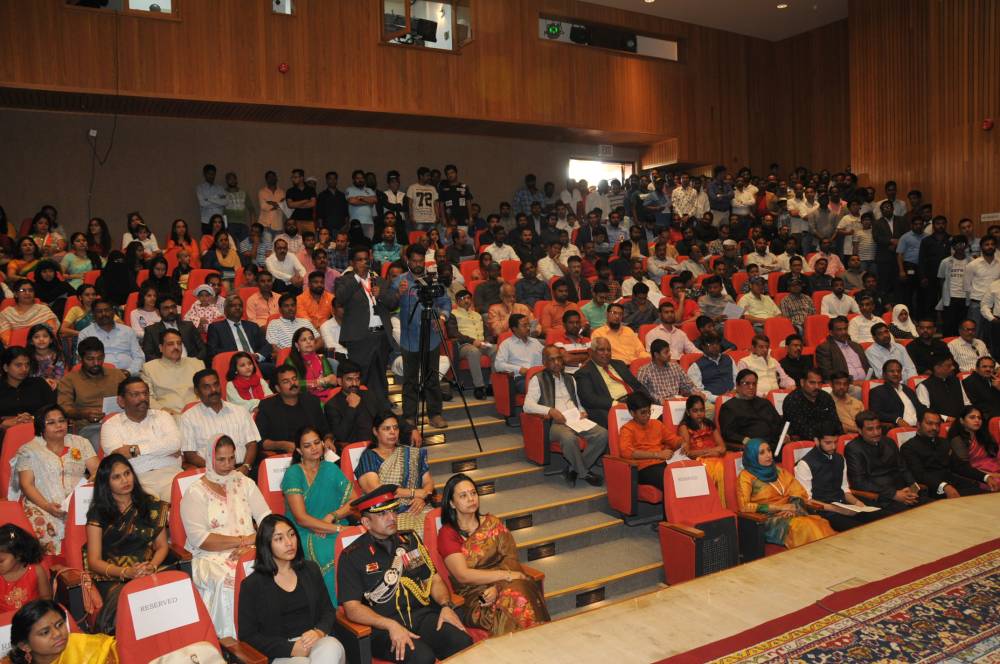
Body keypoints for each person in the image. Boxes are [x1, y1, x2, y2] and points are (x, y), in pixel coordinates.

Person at [337, 485, 473, 664]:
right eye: (382, 514)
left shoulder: (409, 541)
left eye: (392, 511)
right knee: (422, 658)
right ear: (366, 523)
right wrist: (390, 625)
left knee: (462, 642)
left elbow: (433, 578)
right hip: (383, 628)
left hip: (422, 616)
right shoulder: (352, 556)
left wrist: (446, 605)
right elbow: (352, 608)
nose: (391, 517)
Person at [180, 435, 271, 639]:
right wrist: (242, 541)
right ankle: (231, 641)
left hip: (251, 548)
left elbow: (267, 519)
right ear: (210, 458)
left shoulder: (245, 483)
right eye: (221, 459)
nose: (228, 465)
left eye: (231, 458)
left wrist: (253, 544)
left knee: (273, 568)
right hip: (210, 556)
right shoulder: (195, 493)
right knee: (229, 580)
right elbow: (200, 539)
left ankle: (268, 635)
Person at [437, 473, 549, 635]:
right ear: (452, 503)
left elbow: (510, 558)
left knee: (518, 592)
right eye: (463, 495)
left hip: (506, 583)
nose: (471, 498)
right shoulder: (447, 534)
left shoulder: (493, 523)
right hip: (476, 598)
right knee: (516, 597)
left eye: (473, 493)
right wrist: (505, 577)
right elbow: (463, 575)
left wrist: (498, 585)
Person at [238, 515, 346, 664]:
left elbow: (328, 610)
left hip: (314, 641)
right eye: (279, 539)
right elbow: (248, 636)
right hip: (281, 652)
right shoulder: (252, 585)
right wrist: (289, 648)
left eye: (292, 534)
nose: (289, 543)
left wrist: (319, 632)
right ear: (266, 544)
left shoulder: (310, 569)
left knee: (331, 647)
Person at [84, 454, 169, 634]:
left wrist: (152, 567)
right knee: (131, 602)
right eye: (116, 477)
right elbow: (94, 561)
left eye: (127, 473)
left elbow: (162, 546)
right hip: (111, 576)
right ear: (106, 483)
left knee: (172, 594)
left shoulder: (150, 506)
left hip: (146, 569)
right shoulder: (98, 513)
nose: (125, 480)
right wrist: (126, 572)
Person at [281, 427, 355, 603]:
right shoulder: (294, 473)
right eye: (307, 446)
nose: (314, 448)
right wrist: (337, 529)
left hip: (332, 525)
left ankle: (359, 602)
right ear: (299, 450)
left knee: (357, 547)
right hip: (302, 532)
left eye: (317, 443)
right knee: (329, 553)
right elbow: (301, 518)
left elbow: (354, 502)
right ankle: (336, 608)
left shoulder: (330, 469)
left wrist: (332, 516)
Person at [13, 404, 98, 555]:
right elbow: (26, 485)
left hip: (77, 502)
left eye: (62, 420)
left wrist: (88, 487)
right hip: (42, 503)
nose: (59, 425)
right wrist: (47, 506)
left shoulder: (81, 443)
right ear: (41, 427)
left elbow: (97, 470)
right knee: (44, 530)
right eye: (51, 422)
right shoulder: (28, 450)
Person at [523, 345, 609, 486]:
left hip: (575, 418)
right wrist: (550, 411)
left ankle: (573, 469)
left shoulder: (570, 378)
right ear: (544, 361)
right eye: (552, 360)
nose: (557, 363)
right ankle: (584, 473)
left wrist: (582, 411)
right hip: (555, 422)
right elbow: (527, 406)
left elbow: (577, 401)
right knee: (569, 438)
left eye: (559, 359)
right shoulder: (537, 379)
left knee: (603, 434)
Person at [736, 439, 835, 548]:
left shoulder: (778, 471)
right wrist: (780, 508)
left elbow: (799, 492)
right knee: (804, 526)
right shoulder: (746, 477)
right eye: (762, 453)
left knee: (821, 523)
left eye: (769, 450)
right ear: (752, 456)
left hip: (792, 513)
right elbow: (744, 507)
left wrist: (792, 508)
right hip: (766, 519)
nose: (768, 455)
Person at [395, 244, 452, 430]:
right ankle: (410, 417)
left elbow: (445, 302)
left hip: (432, 338)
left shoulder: (433, 280)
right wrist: (398, 293)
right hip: (409, 340)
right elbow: (387, 302)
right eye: (415, 261)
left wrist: (442, 318)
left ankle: (435, 414)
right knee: (410, 380)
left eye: (421, 261)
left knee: (432, 378)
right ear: (408, 261)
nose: (418, 264)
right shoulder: (400, 281)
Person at [99, 376, 182, 502]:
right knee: (150, 511)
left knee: (188, 501)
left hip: (171, 474)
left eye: (145, 393)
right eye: (135, 394)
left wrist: (135, 450)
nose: (143, 398)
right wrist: (163, 449)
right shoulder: (110, 425)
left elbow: (175, 443)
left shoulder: (163, 416)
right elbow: (118, 457)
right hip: (136, 480)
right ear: (121, 401)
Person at [335, 246, 398, 407]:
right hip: (359, 338)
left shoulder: (379, 281)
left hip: (381, 336)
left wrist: (381, 295)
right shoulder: (345, 280)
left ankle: (382, 409)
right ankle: (360, 410)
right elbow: (340, 298)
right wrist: (357, 278)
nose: (364, 263)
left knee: (381, 376)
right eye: (359, 260)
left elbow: (393, 304)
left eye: (366, 259)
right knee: (360, 377)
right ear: (352, 263)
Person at [355, 414, 433, 536]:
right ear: (376, 431)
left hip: (419, 506)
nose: (393, 432)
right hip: (388, 513)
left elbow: (428, 482)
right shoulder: (369, 457)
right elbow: (376, 489)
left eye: (395, 428)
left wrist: (421, 497)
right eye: (386, 428)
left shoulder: (411, 453)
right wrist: (414, 493)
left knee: (438, 525)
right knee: (416, 534)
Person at [180, 369, 259, 475]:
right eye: (206, 387)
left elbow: (252, 443)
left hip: (243, 469)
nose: (213, 390)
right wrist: (215, 469)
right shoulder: (189, 417)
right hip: (210, 472)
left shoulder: (240, 411)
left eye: (216, 384)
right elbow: (190, 454)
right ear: (197, 391)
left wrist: (246, 466)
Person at [794, 431, 877, 532]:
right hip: (823, 511)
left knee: (881, 518)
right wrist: (838, 509)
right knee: (861, 530)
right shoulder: (804, 464)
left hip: (844, 504)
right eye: (828, 443)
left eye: (836, 442)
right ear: (816, 441)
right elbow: (807, 501)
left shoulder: (840, 458)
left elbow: (844, 489)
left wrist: (857, 503)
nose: (833, 447)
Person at [845, 411, 925, 513]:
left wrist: (913, 488)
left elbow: (903, 468)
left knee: (932, 506)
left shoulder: (889, 442)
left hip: (903, 490)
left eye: (878, 428)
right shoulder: (853, 448)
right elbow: (859, 482)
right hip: (881, 497)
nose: (876, 432)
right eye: (870, 429)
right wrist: (894, 494)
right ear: (860, 430)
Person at [901, 411, 985, 499]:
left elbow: (959, 466)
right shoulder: (908, 447)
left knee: (980, 492)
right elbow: (920, 475)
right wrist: (944, 486)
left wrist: (985, 477)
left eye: (937, 424)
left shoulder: (944, 442)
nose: (934, 427)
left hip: (950, 482)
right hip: (932, 488)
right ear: (918, 425)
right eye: (929, 423)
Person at [7, 599, 117, 664]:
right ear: (25, 646)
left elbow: (124, 652)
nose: (58, 634)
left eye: (59, 625)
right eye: (45, 632)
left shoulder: (89, 648)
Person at [256, 366, 333, 455]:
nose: (293, 383)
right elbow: (261, 441)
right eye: (286, 381)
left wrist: (328, 440)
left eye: (294, 379)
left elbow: (326, 431)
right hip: (285, 456)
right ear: (277, 388)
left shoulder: (312, 401)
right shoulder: (267, 406)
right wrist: (282, 445)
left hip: (315, 452)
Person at [574, 337, 647, 431]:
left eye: (608, 350)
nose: (606, 353)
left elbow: (637, 385)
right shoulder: (584, 372)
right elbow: (589, 398)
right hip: (614, 406)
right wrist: (615, 404)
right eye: (601, 350)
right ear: (591, 352)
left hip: (635, 402)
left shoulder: (619, 364)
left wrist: (647, 400)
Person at [617, 391, 682, 491]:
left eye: (649, 411)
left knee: (684, 474)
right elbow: (626, 452)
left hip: (663, 463)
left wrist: (683, 443)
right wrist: (657, 455)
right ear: (632, 413)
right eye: (643, 412)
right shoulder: (627, 429)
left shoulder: (656, 424)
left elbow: (674, 440)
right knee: (670, 480)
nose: (647, 415)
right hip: (643, 468)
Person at [138, 329, 204, 416]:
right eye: (170, 344)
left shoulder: (197, 364)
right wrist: (164, 411)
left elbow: (206, 391)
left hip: (198, 414)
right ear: (161, 348)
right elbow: (148, 397)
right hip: (167, 416)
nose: (176, 347)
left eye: (179, 343)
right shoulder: (149, 368)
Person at [206, 294, 273, 376]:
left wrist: (257, 356)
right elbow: (212, 351)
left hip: (256, 364)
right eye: (233, 306)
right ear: (225, 310)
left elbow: (266, 346)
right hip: (233, 365)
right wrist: (239, 356)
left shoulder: (252, 326)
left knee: (275, 369)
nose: (237, 308)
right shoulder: (216, 327)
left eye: (240, 305)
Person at [717, 369, 783, 451]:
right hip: (754, 449)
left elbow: (779, 423)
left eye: (754, 384)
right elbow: (727, 433)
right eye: (746, 384)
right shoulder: (729, 407)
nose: (751, 387)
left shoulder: (765, 403)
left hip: (776, 445)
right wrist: (744, 440)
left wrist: (784, 435)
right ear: (737, 386)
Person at [0, 347, 56, 431]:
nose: (24, 369)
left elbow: (54, 411)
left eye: (27, 364)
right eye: (18, 365)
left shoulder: (39, 384)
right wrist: (2, 423)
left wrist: (33, 419)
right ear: (6, 367)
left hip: (37, 432)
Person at [0, 525, 51, 613]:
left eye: (0, 561)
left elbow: (46, 597)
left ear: (19, 555)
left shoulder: (36, 571)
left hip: (32, 618)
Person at [947, 406, 1000, 490]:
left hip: (995, 469)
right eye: (972, 417)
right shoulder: (957, 439)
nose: (977, 420)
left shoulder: (984, 435)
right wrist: (991, 475)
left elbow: (996, 453)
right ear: (962, 421)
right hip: (976, 475)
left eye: (979, 418)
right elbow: (963, 468)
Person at [141, 294, 207, 362]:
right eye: (166, 308)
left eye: (173, 307)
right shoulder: (151, 331)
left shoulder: (188, 326)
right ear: (158, 312)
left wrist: (194, 362)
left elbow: (202, 349)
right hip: (165, 369)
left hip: (191, 365)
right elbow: (148, 355)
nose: (171, 311)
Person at [782, 368, 843, 440]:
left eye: (819, 383)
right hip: (803, 444)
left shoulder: (825, 397)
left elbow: (837, 424)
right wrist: (826, 430)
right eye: (812, 383)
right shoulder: (792, 400)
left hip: (829, 440)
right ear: (802, 382)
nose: (817, 386)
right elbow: (803, 431)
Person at [0, 280, 58, 347]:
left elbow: (51, 333)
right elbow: (5, 339)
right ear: (15, 294)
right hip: (16, 352)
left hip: (42, 350)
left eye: (31, 290)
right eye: (22, 290)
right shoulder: (6, 314)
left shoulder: (43, 310)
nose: (27, 293)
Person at [284, 327, 336, 402]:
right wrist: (319, 382)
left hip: (328, 397)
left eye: (311, 339)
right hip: (306, 400)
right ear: (297, 345)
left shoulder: (321, 358)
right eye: (304, 340)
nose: (308, 342)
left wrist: (311, 384)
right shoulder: (291, 361)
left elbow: (333, 380)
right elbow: (294, 385)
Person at [816, 316, 870, 385]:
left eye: (845, 329)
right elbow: (827, 373)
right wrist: (852, 382)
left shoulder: (856, 346)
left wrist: (870, 380)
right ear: (831, 333)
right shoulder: (824, 348)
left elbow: (868, 367)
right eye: (839, 330)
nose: (844, 332)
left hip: (866, 383)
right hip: (844, 385)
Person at [962, 356, 1000, 421]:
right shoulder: (969, 382)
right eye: (984, 366)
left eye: (991, 367)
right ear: (977, 368)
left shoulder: (995, 380)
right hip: (985, 417)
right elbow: (976, 405)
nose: (988, 369)